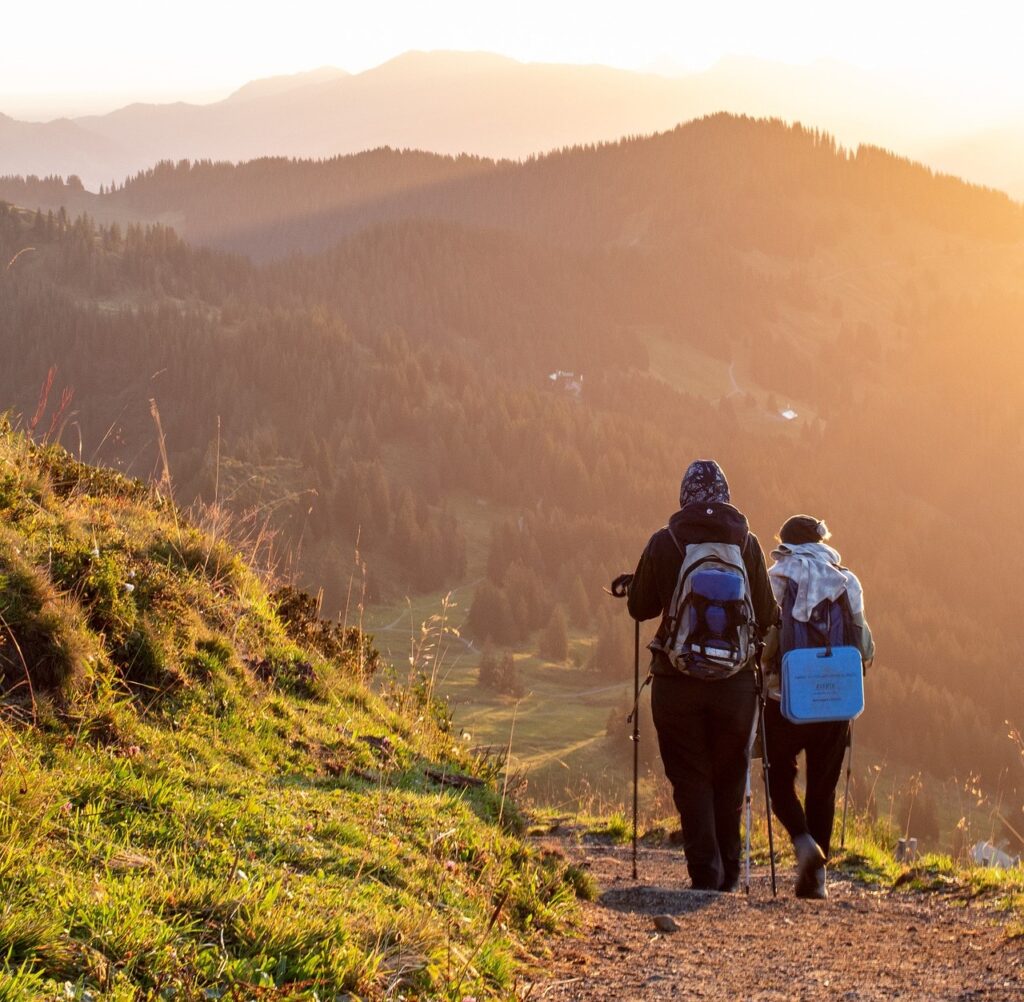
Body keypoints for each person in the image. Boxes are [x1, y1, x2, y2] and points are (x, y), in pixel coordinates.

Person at [626, 460, 778, 891]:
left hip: (676, 683)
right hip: (735, 687)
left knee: (690, 775)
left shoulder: (666, 540)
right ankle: (729, 874)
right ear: (725, 496)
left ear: (684, 497)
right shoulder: (747, 545)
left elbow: (640, 608)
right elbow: (766, 615)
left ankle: (705, 872)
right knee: (730, 774)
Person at [762, 514, 875, 899]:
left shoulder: (774, 578)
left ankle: (802, 840)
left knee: (778, 778)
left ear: (786, 542)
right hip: (836, 701)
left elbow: (761, 641)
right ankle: (818, 882)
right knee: (822, 790)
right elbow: (865, 647)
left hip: (785, 701)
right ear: (822, 540)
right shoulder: (846, 580)